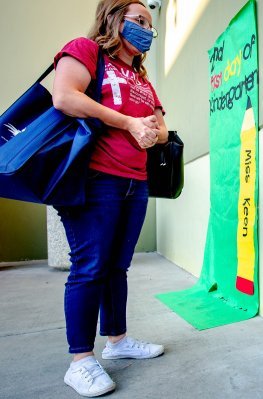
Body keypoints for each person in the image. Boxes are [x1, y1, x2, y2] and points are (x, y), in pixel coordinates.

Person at [52, 0, 168, 396]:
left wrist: (153, 132)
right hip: (95, 178)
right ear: (114, 18)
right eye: (138, 21)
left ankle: (117, 341)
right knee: (90, 266)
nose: (146, 30)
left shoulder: (141, 78)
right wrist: (128, 122)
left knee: (117, 266)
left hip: (135, 180)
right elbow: (65, 96)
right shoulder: (86, 51)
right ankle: (80, 361)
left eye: (150, 25)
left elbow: (163, 128)